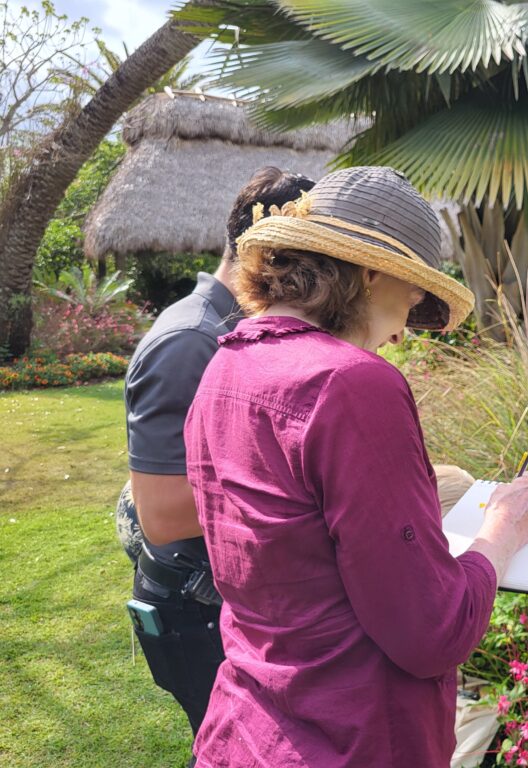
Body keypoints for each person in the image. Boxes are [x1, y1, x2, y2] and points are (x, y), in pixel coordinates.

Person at [183, 167, 528, 767]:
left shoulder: (225, 368)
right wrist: (503, 530)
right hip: (352, 735)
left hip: (248, 726)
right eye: (413, 289)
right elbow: (431, 631)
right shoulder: (352, 382)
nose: (411, 317)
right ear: (373, 271)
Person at [118, 167, 317, 758]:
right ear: (279, 258)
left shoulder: (237, 330)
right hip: (191, 608)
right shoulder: (191, 341)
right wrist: (309, 493)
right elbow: (162, 513)